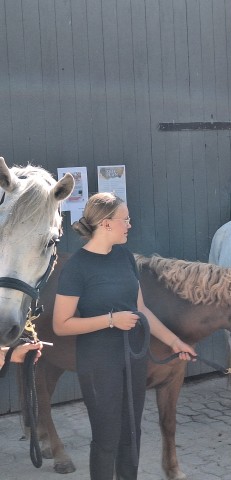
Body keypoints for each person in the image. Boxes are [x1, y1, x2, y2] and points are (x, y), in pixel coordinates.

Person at [53, 192, 197, 480]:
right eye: (125, 219)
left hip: (133, 357)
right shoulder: (77, 267)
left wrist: (174, 342)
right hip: (97, 362)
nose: (130, 224)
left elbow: (141, 309)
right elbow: (61, 324)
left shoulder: (125, 257)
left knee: (131, 432)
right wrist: (110, 320)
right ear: (106, 224)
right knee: (107, 438)